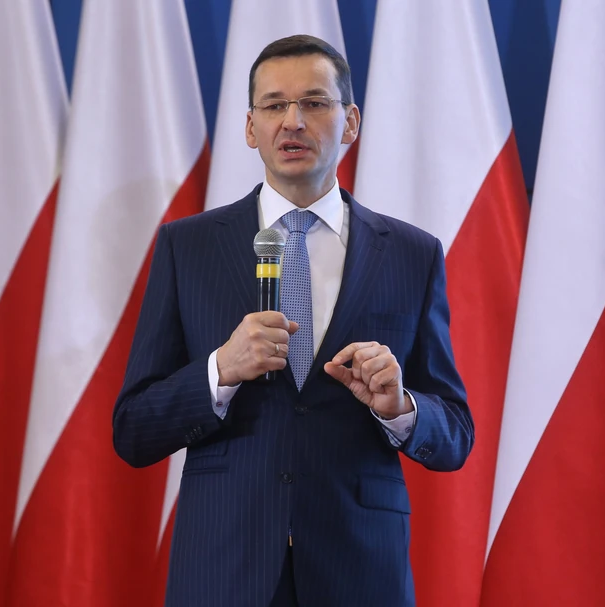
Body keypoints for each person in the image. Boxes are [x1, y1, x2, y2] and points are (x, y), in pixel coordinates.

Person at [113, 35, 473, 607]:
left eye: (314, 102)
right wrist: (219, 370)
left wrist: (400, 407)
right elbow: (133, 430)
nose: (293, 122)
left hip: (359, 569)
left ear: (350, 122)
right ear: (250, 127)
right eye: (274, 105)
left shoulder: (412, 254)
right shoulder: (188, 248)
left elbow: (455, 434)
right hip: (224, 569)